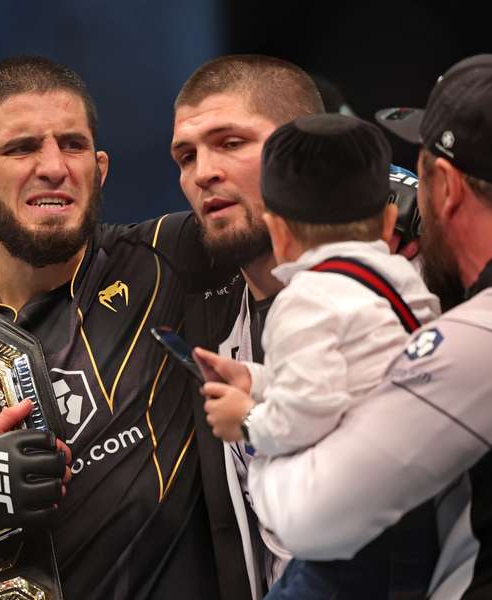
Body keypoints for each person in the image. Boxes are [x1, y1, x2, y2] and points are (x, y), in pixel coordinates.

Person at [0, 56, 250, 600]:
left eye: (74, 145)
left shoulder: (166, 261)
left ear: (100, 167)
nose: (55, 166)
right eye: (21, 149)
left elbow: (280, 209)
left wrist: (391, 197)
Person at [249, 53, 492, 599]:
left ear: (447, 189)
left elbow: (310, 518)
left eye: (421, 174)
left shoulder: (485, 341)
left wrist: (252, 425)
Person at [171, 54, 430, 598]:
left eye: (231, 142)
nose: (203, 172)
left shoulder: (425, 270)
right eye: (186, 155)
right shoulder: (208, 308)